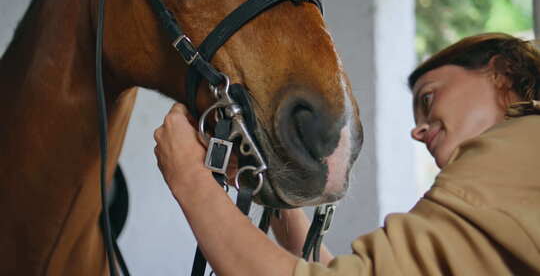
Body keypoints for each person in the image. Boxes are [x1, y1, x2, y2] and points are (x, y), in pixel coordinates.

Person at [153, 33, 540, 275]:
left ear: (502, 71)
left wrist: (188, 177)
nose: (417, 131)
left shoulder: (518, 145)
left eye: (428, 98)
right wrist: (273, 198)